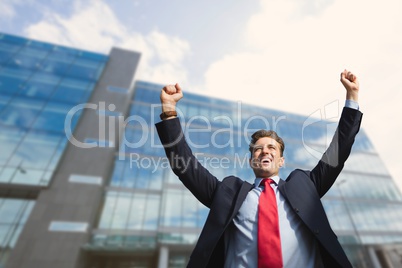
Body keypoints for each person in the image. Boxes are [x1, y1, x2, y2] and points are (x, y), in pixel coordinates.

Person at [155, 70, 362, 267]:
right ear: (251, 160)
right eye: (258, 149)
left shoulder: (306, 186)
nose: (265, 152)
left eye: (272, 148)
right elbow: (186, 167)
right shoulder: (228, 193)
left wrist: (351, 97)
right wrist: (169, 111)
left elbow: (338, 152)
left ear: (281, 161)